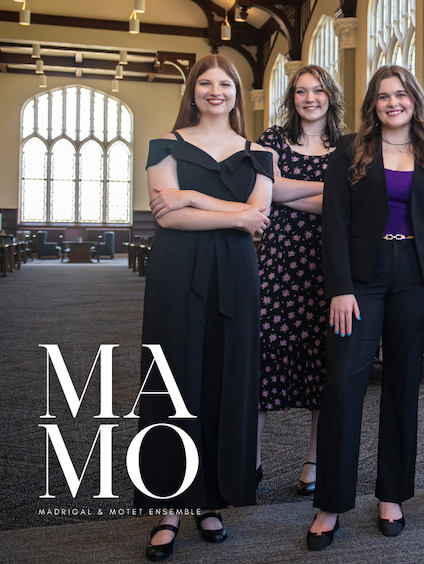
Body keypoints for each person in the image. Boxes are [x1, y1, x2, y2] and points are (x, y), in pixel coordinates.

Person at [307, 65, 424, 550]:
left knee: (402, 385)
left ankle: (392, 495)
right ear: (372, 104)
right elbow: (333, 223)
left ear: (415, 100)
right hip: (360, 280)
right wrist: (340, 287)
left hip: (417, 278)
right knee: (344, 383)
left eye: (401, 95)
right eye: (382, 96)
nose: (393, 103)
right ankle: (330, 502)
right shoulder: (350, 152)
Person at [137, 54, 273, 562]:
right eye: (205, 83)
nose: (215, 91)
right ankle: (169, 504)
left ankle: (210, 500)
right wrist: (232, 215)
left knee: (225, 379)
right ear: (192, 91)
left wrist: (192, 197)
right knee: (172, 379)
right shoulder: (165, 145)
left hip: (237, 275)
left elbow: (258, 216)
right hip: (177, 272)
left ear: (238, 92)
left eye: (225, 83)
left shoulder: (258, 153)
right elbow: (168, 219)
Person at [254, 64, 346, 496]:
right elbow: (263, 192)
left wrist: (287, 190)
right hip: (277, 262)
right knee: (263, 356)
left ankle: (313, 461)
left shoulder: (348, 146)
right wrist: (325, 193)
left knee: (323, 361)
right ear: (292, 98)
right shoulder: (272, 138)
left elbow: (351, 203)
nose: (310, 98)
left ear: (331, 95)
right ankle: (249, 459)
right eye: (301, 92)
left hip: (328, 263)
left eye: (319, 90)